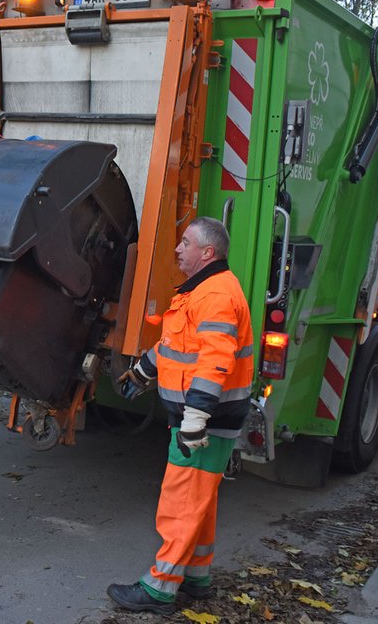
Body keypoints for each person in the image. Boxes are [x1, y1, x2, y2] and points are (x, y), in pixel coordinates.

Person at [107, 216, 255, 615]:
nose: (178, 249)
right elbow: (176, 346)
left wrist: (195, 419)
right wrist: (142, 372)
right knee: (199, 499)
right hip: (206, 417)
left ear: (207, 253)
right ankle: (195, 576)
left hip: (204, 420)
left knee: (183, 500)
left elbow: (214, 362)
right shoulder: (202, 292)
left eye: (185, 242)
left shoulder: (216, 296)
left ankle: (160, 587)